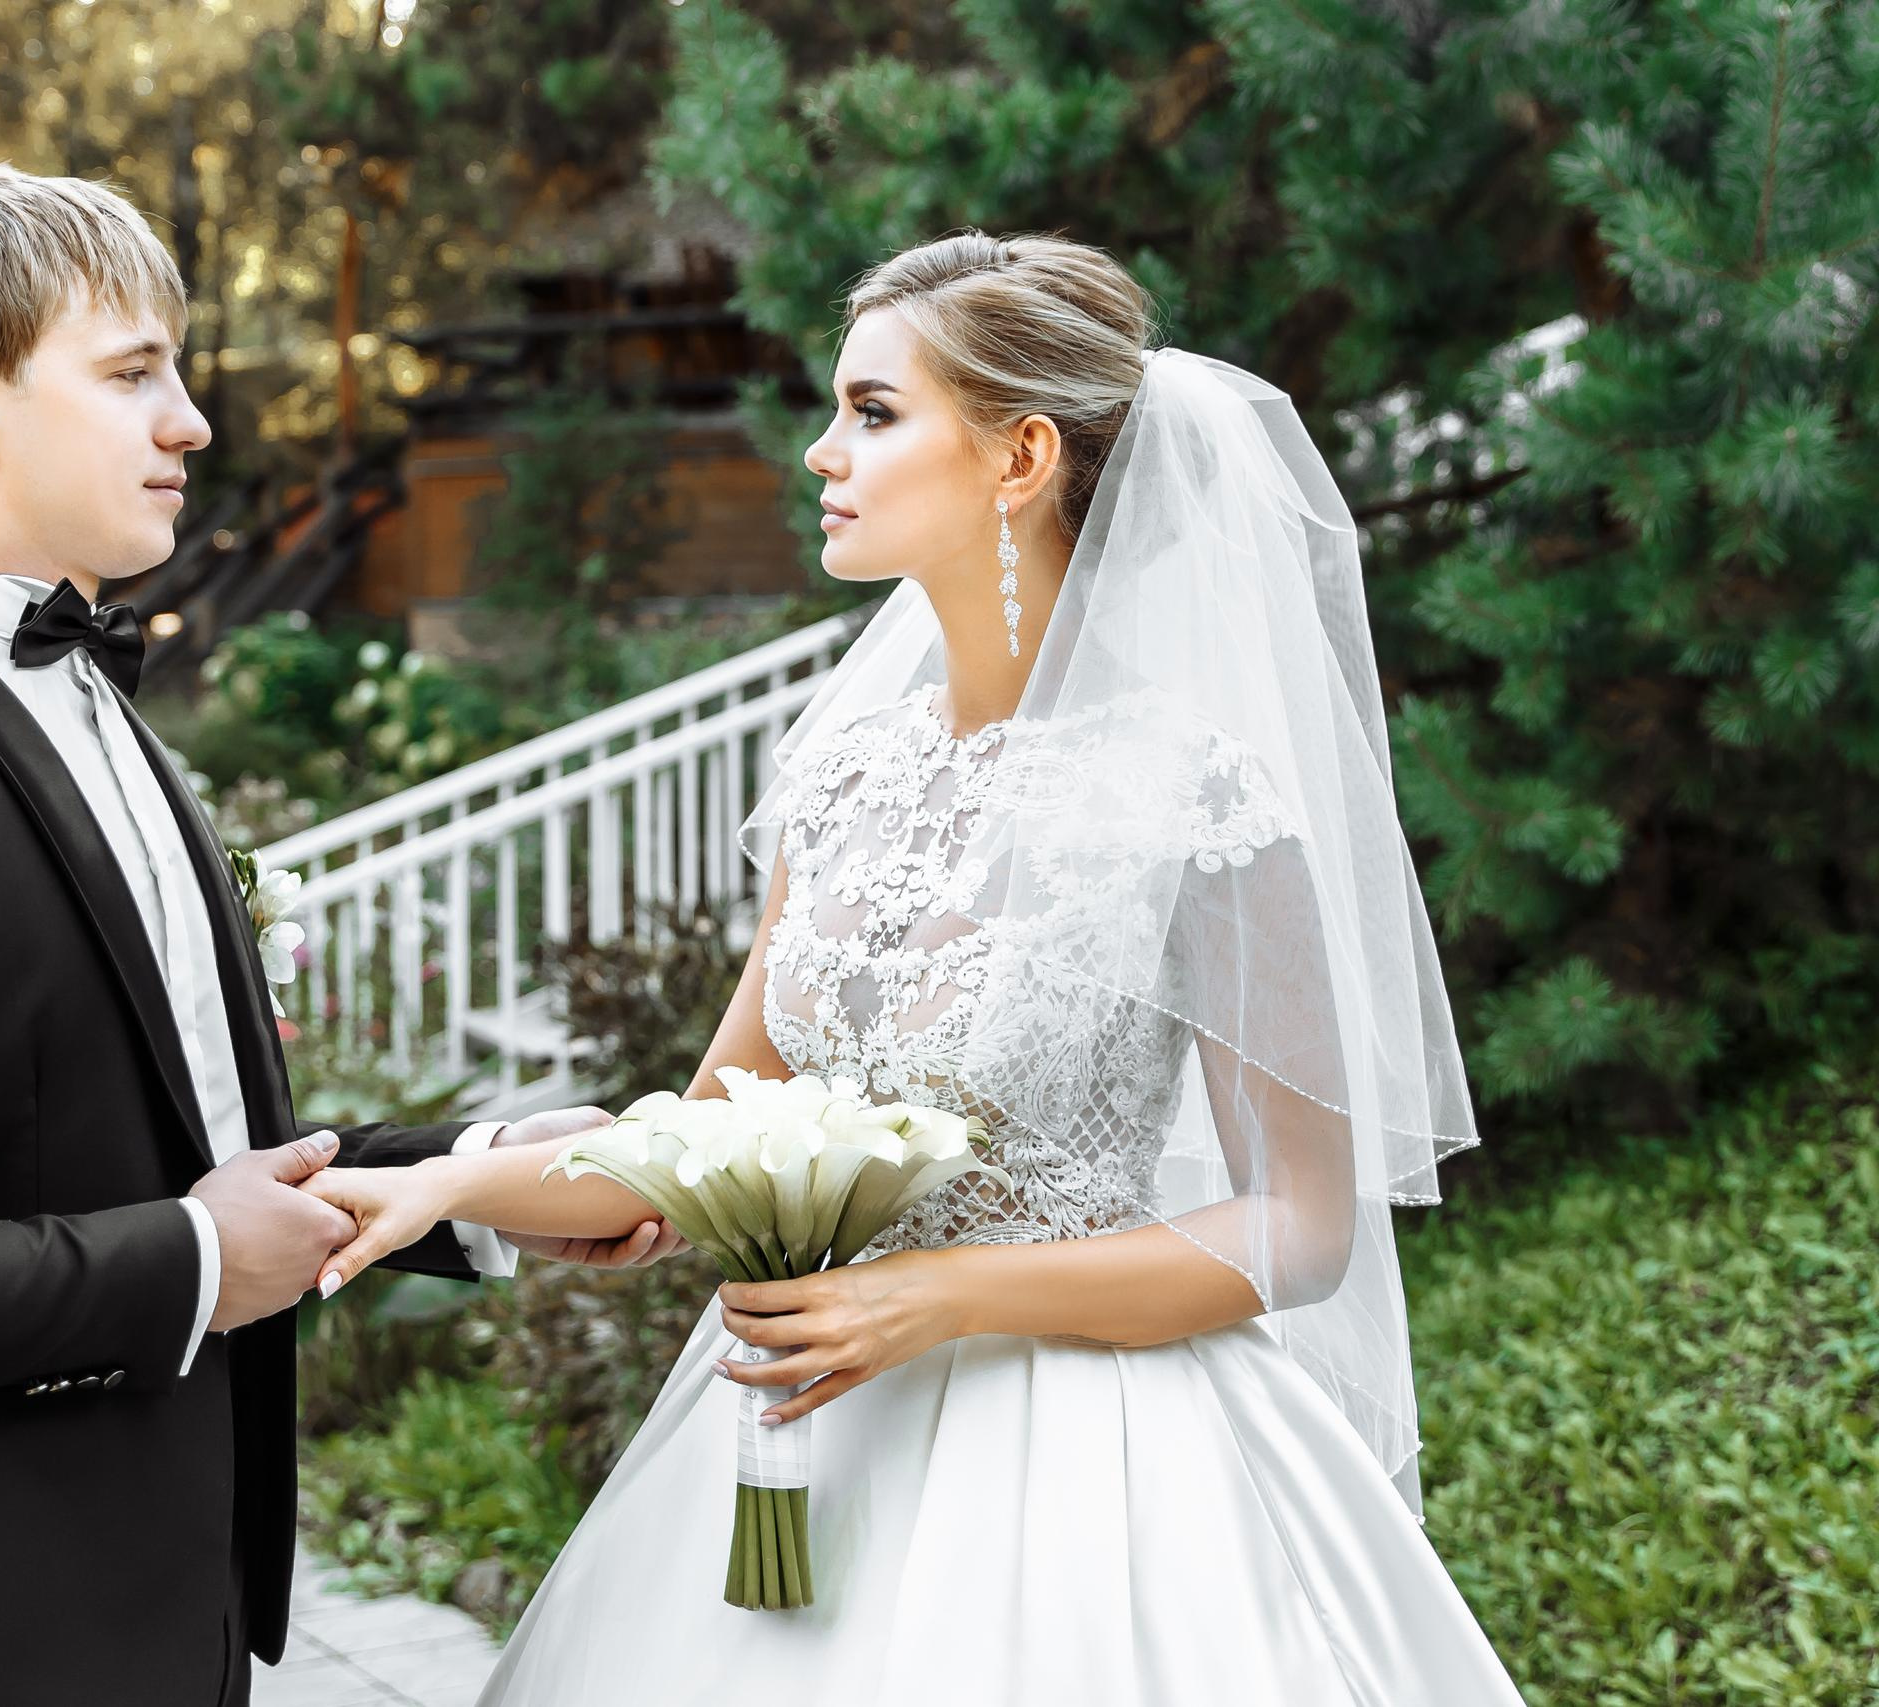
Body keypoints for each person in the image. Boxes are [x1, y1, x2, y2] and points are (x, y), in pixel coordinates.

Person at [304, 232, 1528, 1703]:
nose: (822, 451)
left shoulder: (1191, 795)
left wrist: (945, 1298)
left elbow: (1301, 1228)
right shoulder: (846, 774)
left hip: (1102, 1479)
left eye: (873, 412)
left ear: (1019, 459)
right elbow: (699, 1144)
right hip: (799, 1444)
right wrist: (440, 1183)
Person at [0, 151, 666, 1707]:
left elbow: (176, 1145)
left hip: (168, 1608)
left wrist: (476, 1185)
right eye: (133, 373)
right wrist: (187, 1257)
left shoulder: (117, 725)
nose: (191, 419)